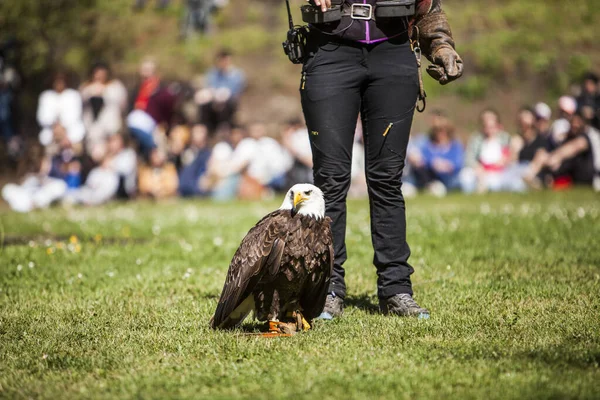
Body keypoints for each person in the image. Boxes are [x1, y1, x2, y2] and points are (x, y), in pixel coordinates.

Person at [300, 0, 463, 319]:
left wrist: (441, 44)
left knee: (387, 179)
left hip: (394, 51)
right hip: (331, 50)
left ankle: (396, 290)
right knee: (330, 180)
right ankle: (327, 289)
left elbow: (428, 7)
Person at [524, 111, 600, 191]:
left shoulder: (586, 137)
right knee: (542, 155)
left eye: (578, 122)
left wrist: (554, 157)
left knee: (544, 157)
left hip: (586, 181)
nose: (575, 125)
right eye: (572, 122)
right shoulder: (570, 137)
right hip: (568, 176)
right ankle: (530, 178)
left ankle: (532, 180)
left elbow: (571, 148)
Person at [460, 109, 515, 193]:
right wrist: (478, 168)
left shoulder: (505, 138)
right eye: (486, 126)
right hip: (480, 170)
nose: (489, 130)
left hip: (498, 172)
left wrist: (505, 160)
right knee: (465, 176)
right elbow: (469, 158)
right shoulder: (476, 138)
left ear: (498, 125)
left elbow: (512, 156)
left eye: (492, 126)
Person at [80, 62, 128, 155]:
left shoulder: (115, 86)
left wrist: (104, 91)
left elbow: (122, 104)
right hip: (92, 131)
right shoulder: (86, 88)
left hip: (111, 130)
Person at [409, 115, 463, 196]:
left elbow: (458, 163)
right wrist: (433, 163)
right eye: (437, 130)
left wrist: (448, 166)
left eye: (443, 130)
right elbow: (421, 159)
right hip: (431, 177)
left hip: (450, 178)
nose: (440, 133)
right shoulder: (427, 143)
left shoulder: (455, 145)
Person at [196, 50, 246, 132]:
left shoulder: (237, 74)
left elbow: (236, 91)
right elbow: (209, 87)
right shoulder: (212, 73)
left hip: (229, 102)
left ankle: (224, 128)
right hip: (213, 100)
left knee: (226, 106)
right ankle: (206, 129)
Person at [37, 72, 86, 149]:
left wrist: (63, 128)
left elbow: (75, 115)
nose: (59, 84)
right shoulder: (46, 96)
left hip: (72, 134)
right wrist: (55, 127)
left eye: (61, 81)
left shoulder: (73, 95)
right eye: (56, 81)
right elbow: (42, 117)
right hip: (51, 134)